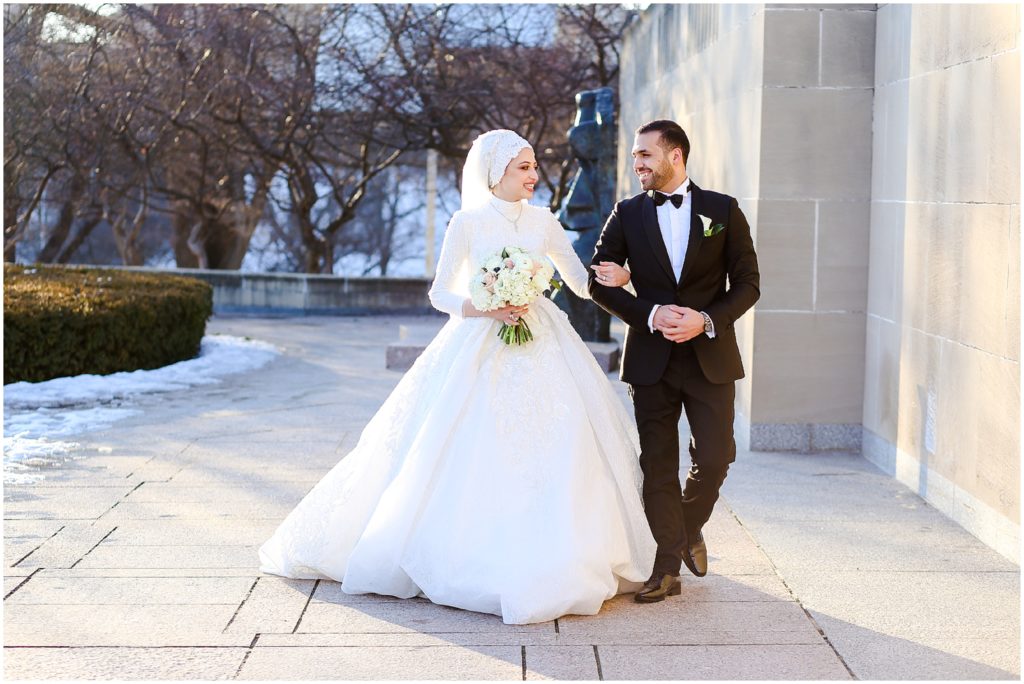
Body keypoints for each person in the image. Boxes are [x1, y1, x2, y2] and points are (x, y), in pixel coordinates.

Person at [258, 129, 657, 625]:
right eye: (523, 167)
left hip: (545, 341)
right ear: (495, 173)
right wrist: (485, 306)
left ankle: (566, 552)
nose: (535, 176)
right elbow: (438, 293)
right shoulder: (466, 223)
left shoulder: (544, 221)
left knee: (563, 441)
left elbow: (577, 282)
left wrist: (623, 276)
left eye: (535, 167)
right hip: (480, 341)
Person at [589, 119, 760, 603]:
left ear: (676, 155)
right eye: (635, 157)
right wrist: (651, 312)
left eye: (645, 155)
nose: (637, 164)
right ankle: (666, 567)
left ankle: (684, 529)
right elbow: (597, 282)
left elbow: (749, 283)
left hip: (710, 355)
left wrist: (705, 319)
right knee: (658, 463)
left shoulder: (722, 210)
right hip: (651, 360)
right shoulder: (625, 214)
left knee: (716, 455)